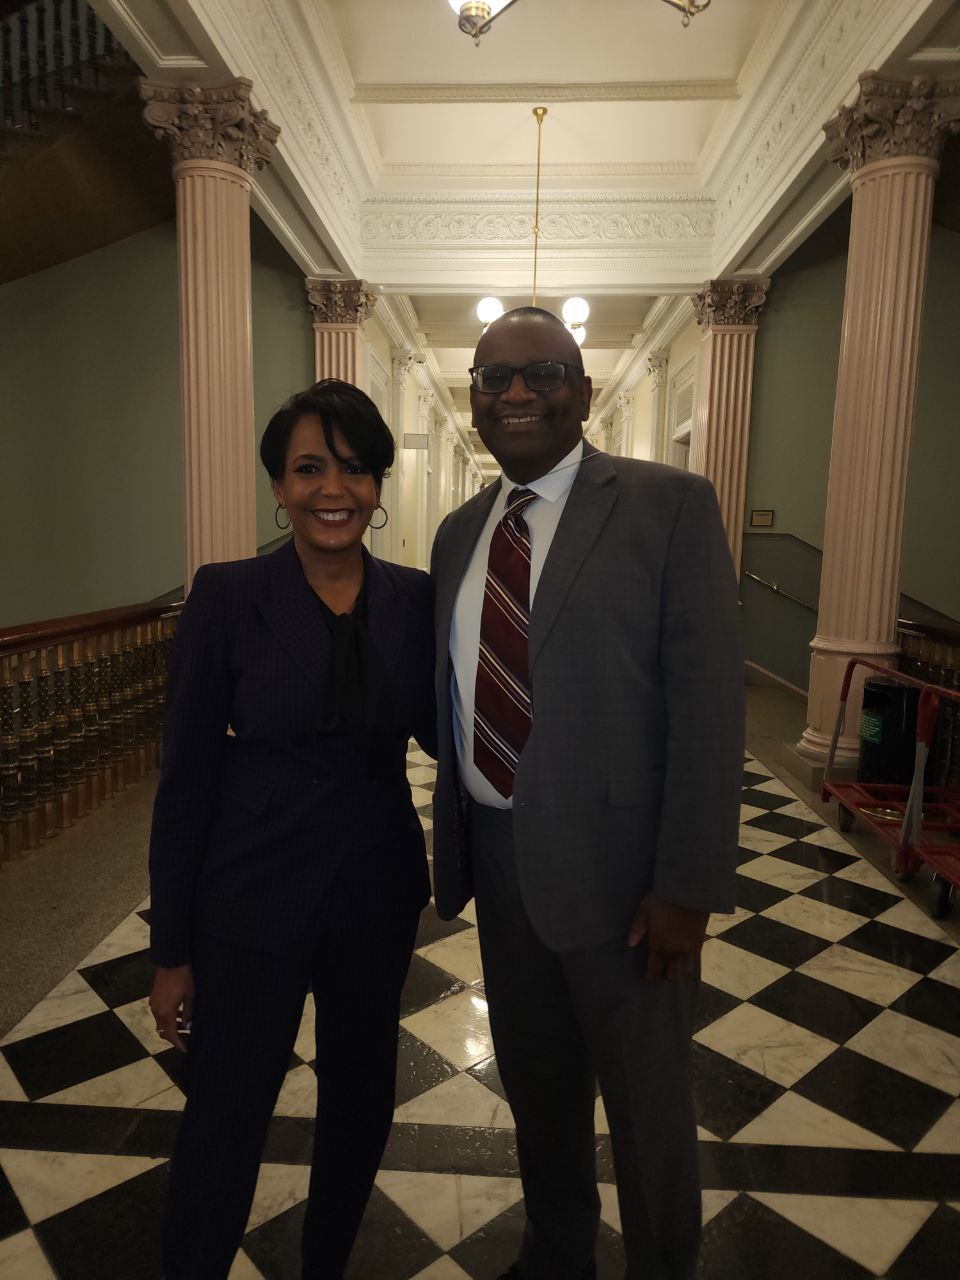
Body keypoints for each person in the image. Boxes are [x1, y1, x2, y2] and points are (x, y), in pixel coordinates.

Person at [430, 308, 744, 1280]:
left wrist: (686, 884)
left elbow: (707, 706)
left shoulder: (669, 505)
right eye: (493, 379)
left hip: (627, 883)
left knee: (648, 1105)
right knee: (539, 1086)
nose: (516, 392)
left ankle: (663, 1264)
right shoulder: (455, 535)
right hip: (500, 860)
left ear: (584, 390)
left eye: (542, 371)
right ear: (473, 402)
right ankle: (555, 1247)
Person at [148, 379, 436, 1280]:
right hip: (250, 898)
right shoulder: (229, 596)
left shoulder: (413, 599)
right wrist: (171, 949)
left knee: (360, 1106)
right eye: (309, 468)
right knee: (225, 1115)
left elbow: (448, 731)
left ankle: (326, 1267)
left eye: (353, 469)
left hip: (375, 893)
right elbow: (186, 780)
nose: (332, 489)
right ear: (278, 486)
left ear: (378, 484)